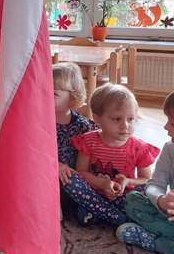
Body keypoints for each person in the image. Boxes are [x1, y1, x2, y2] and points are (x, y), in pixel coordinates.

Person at [63, 83, 160, 227]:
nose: (125, 125)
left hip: (124, 196)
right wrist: (103, 184)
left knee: (148, 190)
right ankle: (116, 217)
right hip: (94, 193)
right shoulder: (88, 141)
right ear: (97, 119)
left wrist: (128, 181)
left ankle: (98, 212)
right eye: (116, 119)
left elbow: (146, 179)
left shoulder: (140, 147)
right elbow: (81, 172)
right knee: (70, 180)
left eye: (130, 119)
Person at [117, 91, 174, 254]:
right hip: (167, 214)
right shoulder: (170, 149)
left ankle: (156, 242)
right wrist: (161, 200)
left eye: (172, 123)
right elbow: (154, 184)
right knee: (132, 199)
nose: (165, 127)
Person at [53, 62, 97, 216]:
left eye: (54, 94)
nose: (44, 96)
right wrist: (53, 165)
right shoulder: (36, 121)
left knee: (73, 188)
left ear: (72, 98)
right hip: (42, 174)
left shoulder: (83, 127)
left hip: (68, 181)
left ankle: (77, 206)